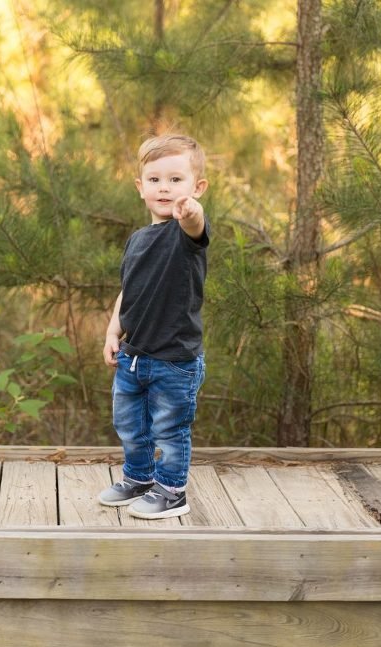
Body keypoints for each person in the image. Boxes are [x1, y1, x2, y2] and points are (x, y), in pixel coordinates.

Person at [98, 134, 209, 519]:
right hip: (134, 356)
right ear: (140, 187)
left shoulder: (185, 234)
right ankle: (139, 478)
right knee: (129, 424)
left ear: (197, 187)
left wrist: (191, 212)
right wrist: (114, 331)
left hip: (174, 360)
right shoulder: (137, 239)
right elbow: (128, 291)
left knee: (169, 430)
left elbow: (196, 224)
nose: (165, 187)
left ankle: (172, 491)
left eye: (176, 180)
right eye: (155, 179)